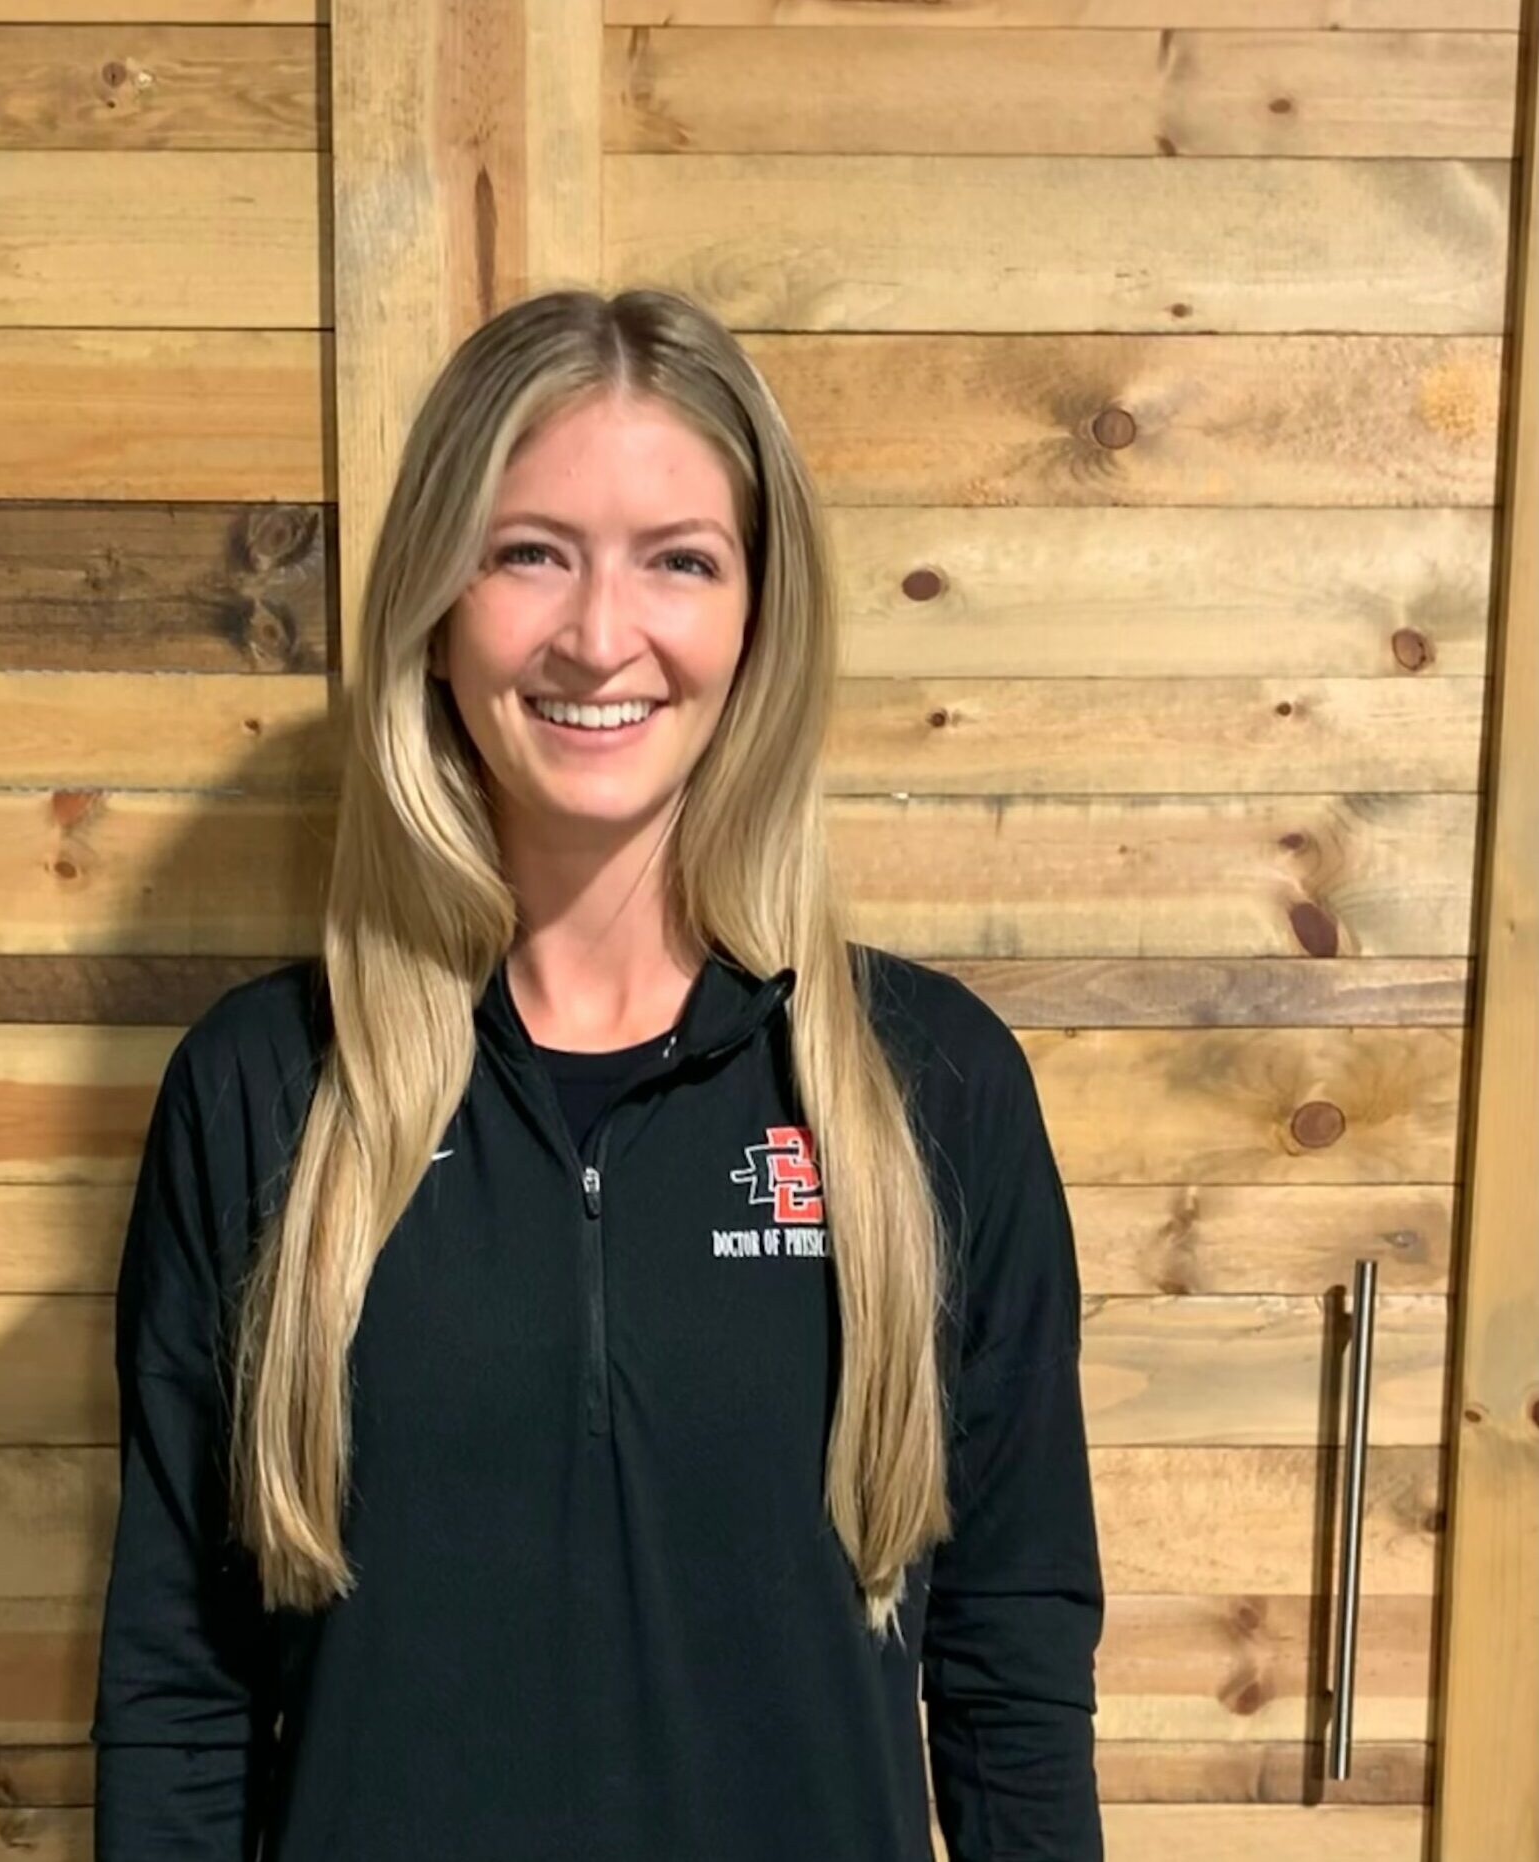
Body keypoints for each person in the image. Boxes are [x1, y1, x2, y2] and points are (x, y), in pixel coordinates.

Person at [89, 286, 1104, 1860]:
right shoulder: (265, 1091)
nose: (597, 634)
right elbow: (180, 1684)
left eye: (678, 558)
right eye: (528, 551)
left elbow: (1010, 1665)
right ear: (436, 602)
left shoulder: (931, 1087)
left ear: (758, 614)